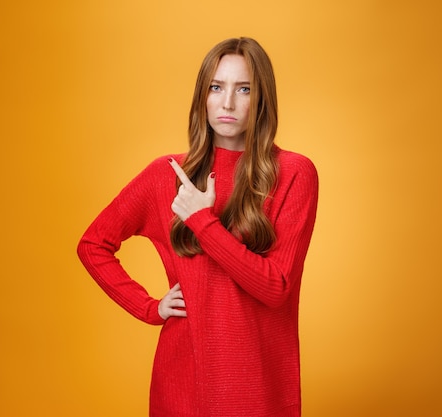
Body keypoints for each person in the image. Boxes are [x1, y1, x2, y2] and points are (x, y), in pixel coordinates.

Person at [78, 37, 318, 417]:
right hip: (184, 379)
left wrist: (202, 222)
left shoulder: (294, 173)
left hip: (258, 383)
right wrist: (149, 308)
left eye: (244, 89)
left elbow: (276, 288)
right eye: (216, 87)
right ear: (202, 96)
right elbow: (93, 245)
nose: (227, 103)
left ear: (262, 99)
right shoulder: (166, 175)